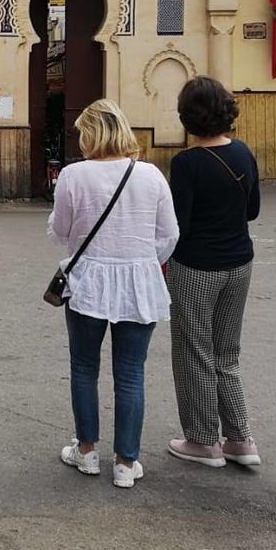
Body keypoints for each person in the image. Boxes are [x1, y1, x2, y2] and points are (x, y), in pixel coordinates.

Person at [48, 99, 178, 489]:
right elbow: (168, 235)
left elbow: (60, 233)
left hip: (88, 280)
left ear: (89, 134)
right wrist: (138, 259)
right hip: (139, 282)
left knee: (84, 368)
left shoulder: (73, 176)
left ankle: (87, 451)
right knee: (131, 372)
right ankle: (126, 462)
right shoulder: (151, 175)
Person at [164, 77, 263, 469]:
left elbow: (178, 225)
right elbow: (252, 210)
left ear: (187, 117)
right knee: (227, 351)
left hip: (196, 265)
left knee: (193, 350)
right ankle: (240, 437)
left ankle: (203, 439)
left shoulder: (187, 163)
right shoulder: (243, 153)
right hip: (240, 261)